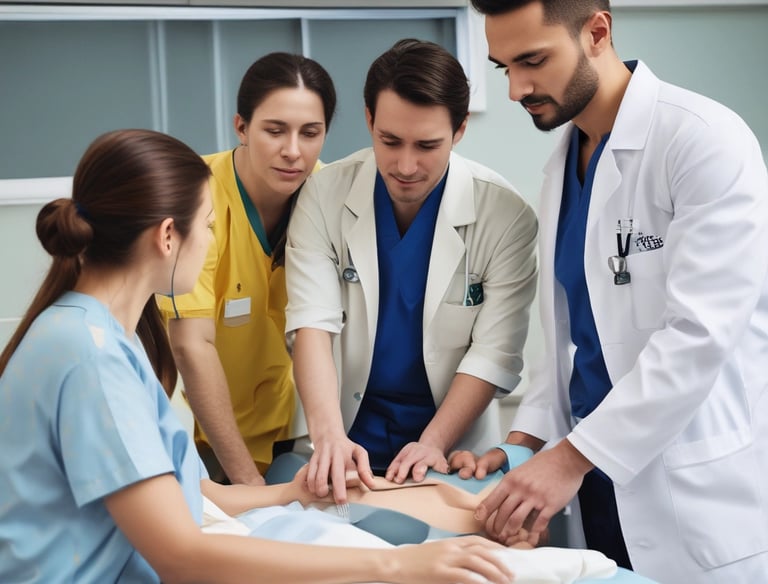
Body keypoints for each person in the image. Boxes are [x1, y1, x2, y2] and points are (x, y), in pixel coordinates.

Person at [0, 128, 514, 584]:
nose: (208, 240)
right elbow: (181, 556)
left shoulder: (98, 335)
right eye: (206, 225)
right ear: (166, 236)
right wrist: (397, 568)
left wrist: (293, 493)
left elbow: (189, 498)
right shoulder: (91, 358)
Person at [452, 1, 768, 583]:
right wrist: (524, 447)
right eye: (504, 68)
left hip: (692, 490)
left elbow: (698, 337)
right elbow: (570, 340)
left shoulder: (703, 141)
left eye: (533, 60)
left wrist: (566, 459)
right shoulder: (562, 165)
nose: (518, 88)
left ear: (597, 31)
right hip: (598, 486)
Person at [285, 39, 538, 504]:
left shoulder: (506, 216)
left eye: (427, 145)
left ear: (461, 129)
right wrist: (329, 439)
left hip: (452, 450)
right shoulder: (323, 194)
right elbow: (311, 324)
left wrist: (432, 443)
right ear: (368, 120)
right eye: (389, 141)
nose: (405, 166)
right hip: (341, 436)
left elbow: (493, 354)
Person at [156, 52, 337, 486]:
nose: (293, 151)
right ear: (241, 126)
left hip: (299, 429)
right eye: (275, 131)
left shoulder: (330, 195)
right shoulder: (194, 195)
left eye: (310, 133)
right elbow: (191, 346)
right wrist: (245, 482)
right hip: (209, 436)